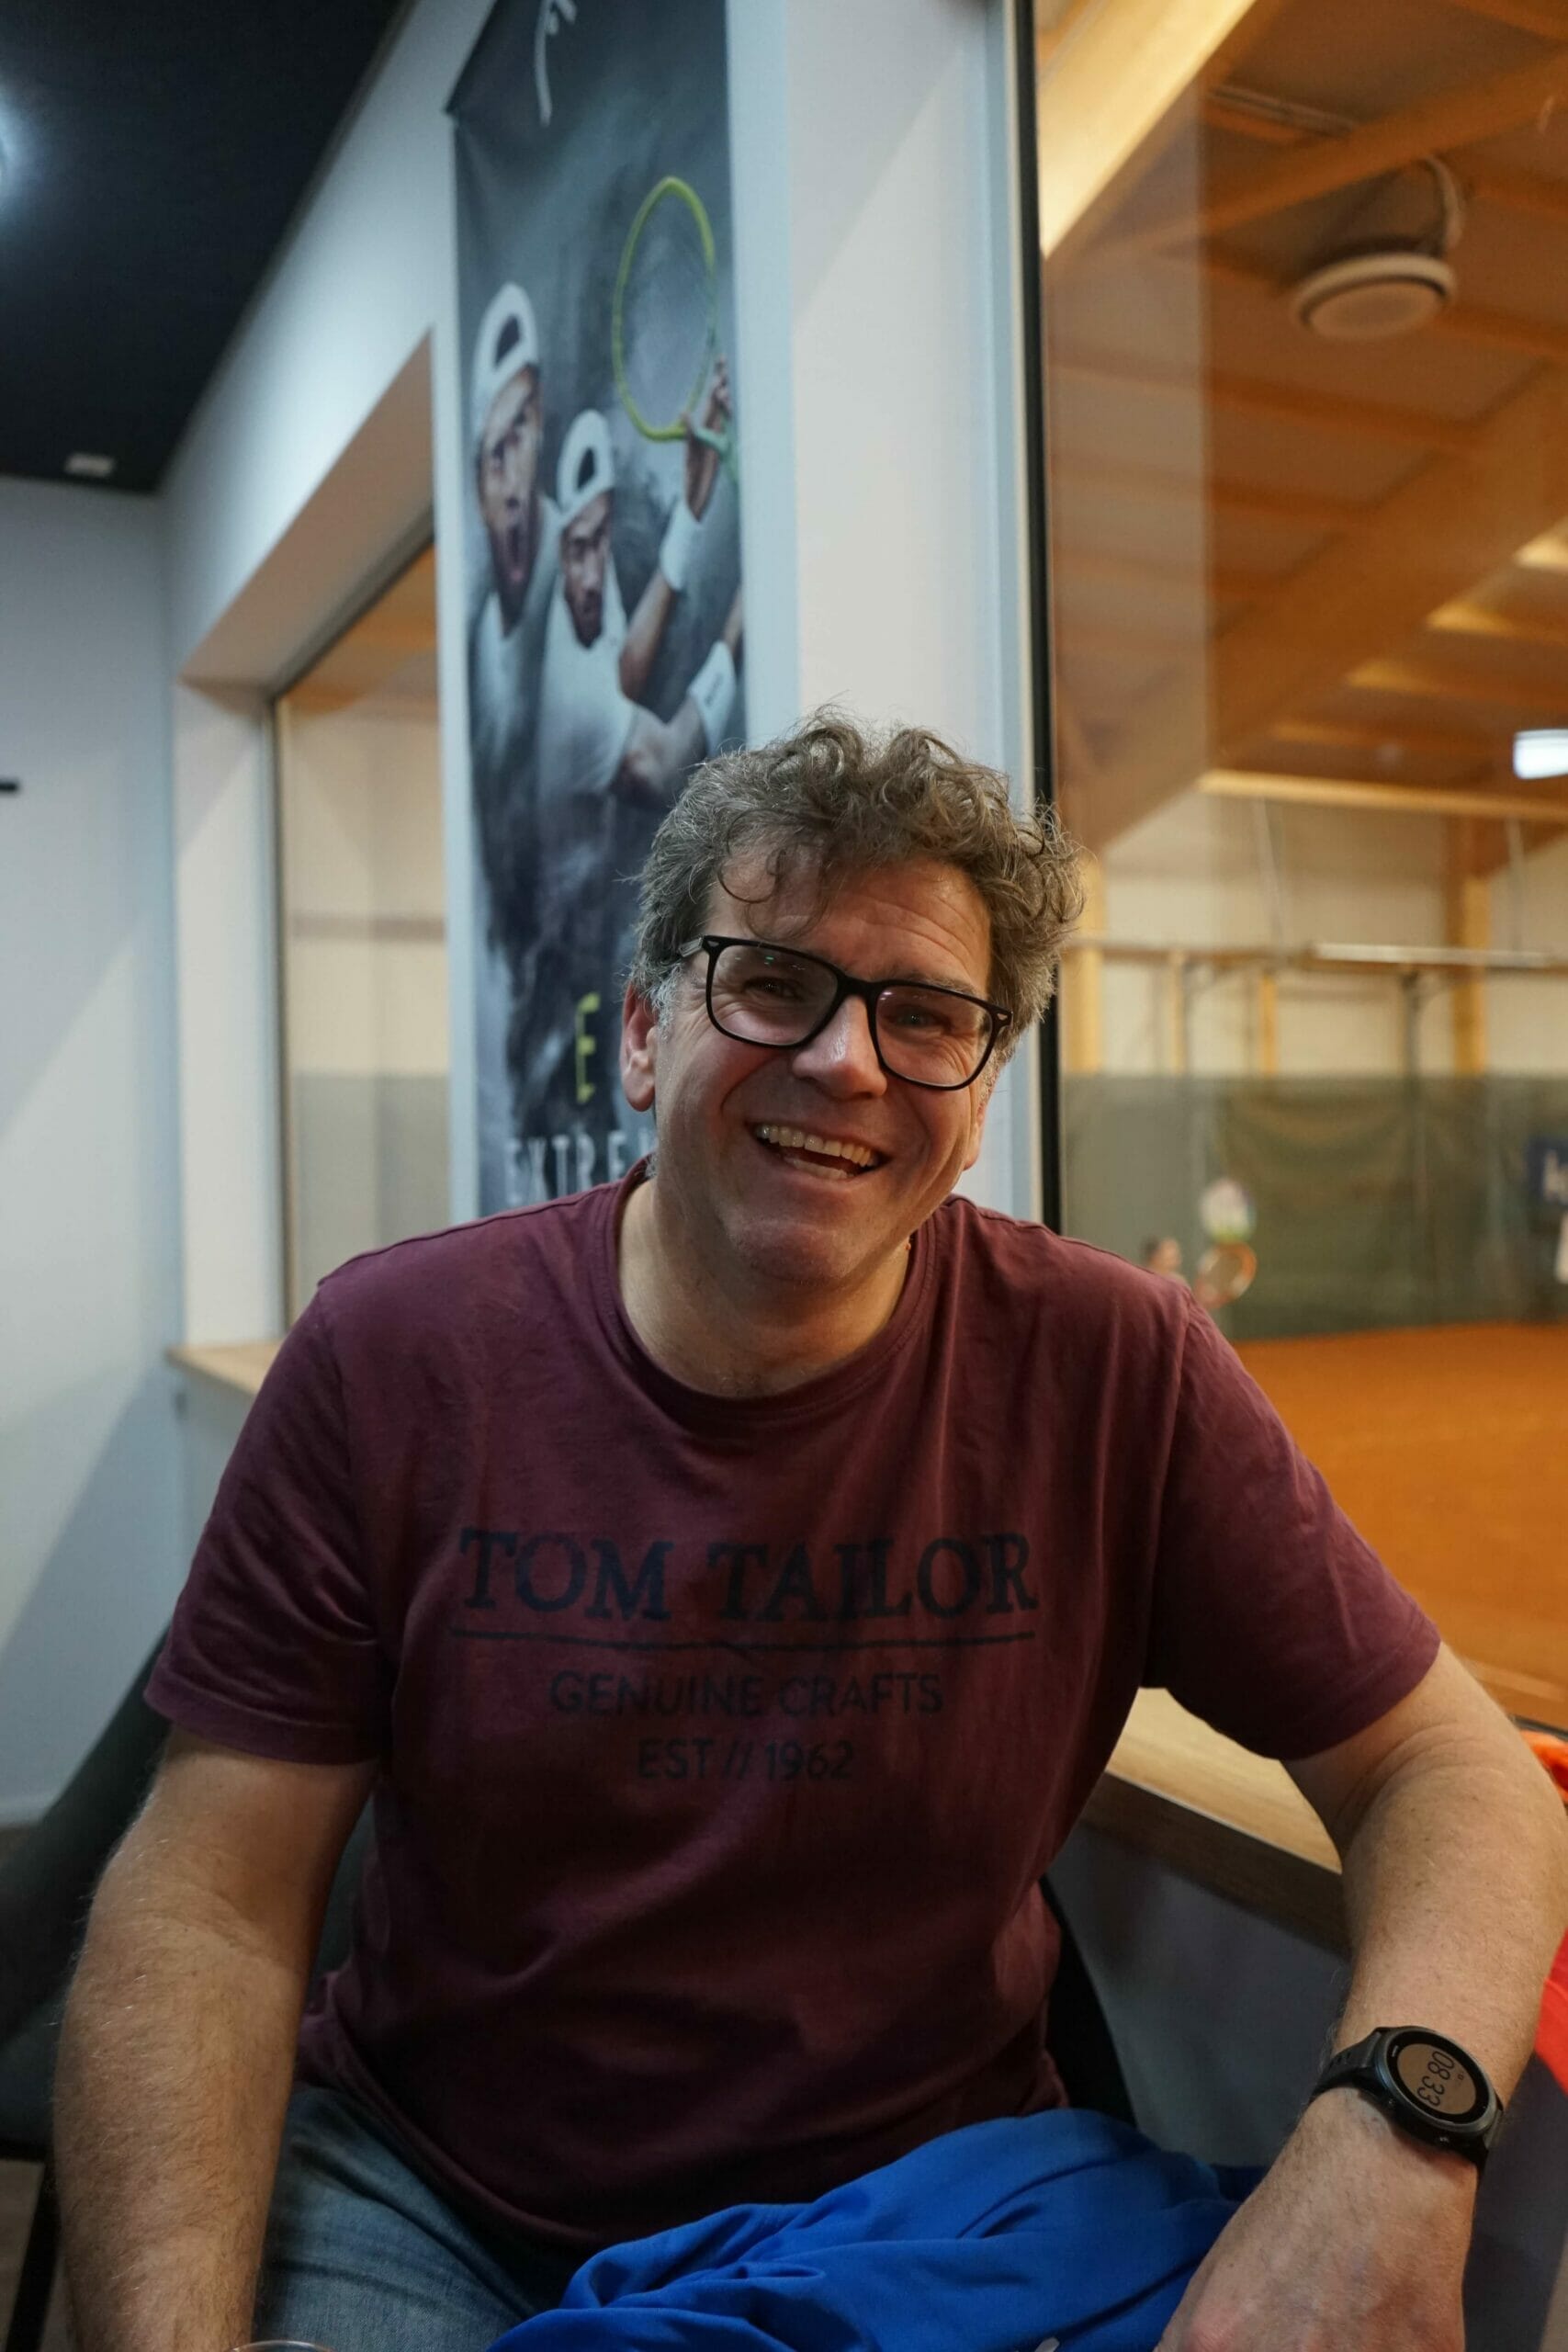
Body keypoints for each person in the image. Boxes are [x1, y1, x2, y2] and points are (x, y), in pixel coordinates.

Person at [55, 717, 1568, 2352]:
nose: (848, 1061)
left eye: (924, 1017)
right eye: (771, 983)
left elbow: (1448, 1769)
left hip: (916, 2223)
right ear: (644, 1035)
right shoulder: (392, 1356)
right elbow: (207, 1903)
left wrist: (1390, 2139)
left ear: (976, 1098)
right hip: (435, 2205)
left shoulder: (1114, 1367)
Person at [520, 385, 743, 1164]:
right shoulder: (569, 700)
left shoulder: (584, 586)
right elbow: (665, 755)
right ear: (560, 545)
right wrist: (737, 630)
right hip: (561, 952)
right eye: (578, 551)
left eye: (600, 542)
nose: (591, 574)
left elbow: (623, 665)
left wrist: (690, 510)